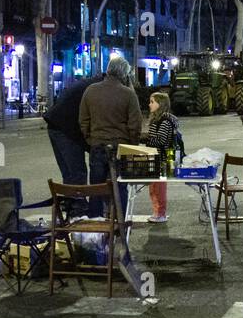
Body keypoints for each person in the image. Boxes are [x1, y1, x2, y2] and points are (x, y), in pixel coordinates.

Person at [78, 55, 143, 217]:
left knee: (96, 188)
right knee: (120, 187)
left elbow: (83, 121)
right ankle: (119, 221)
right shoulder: (128, 94)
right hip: (120, 148)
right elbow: (135, 125)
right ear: (124, 74)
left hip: (98, 146)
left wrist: (91, 140)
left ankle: (96, 225)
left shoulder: (91, 91)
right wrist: (132, 146)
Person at [43, 75, 99, 215]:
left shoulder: (91, 84)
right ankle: (77, 209)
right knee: (77, 171)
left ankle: (71, 205)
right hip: (65, 127)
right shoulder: (97, 89)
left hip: (55, 124)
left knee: (69, 172)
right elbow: (88, 122)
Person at [143, 92, 178, 223]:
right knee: (154, 187)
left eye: (152, 102)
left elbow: (162, 140)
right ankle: (157, 212)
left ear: (160, 104)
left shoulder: (164, 121)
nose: (149, 104)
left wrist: (145, 139)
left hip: (162, 159)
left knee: (158, 188)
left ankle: (160, 213)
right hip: (157, 158)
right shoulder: (158, 120)